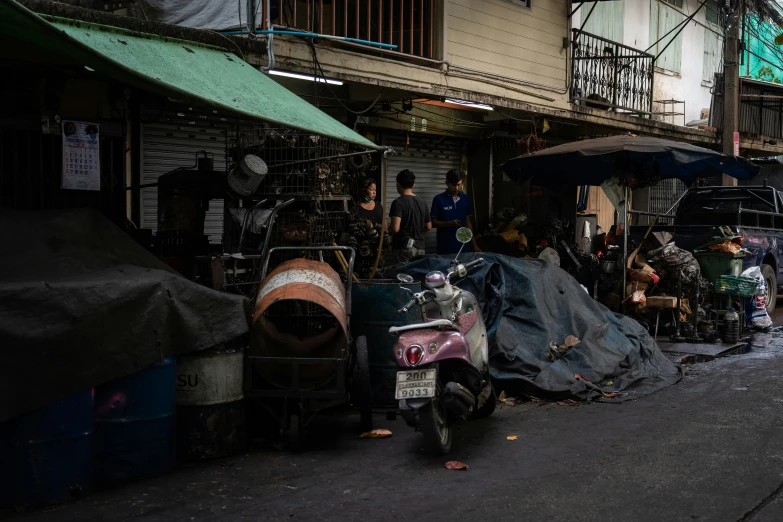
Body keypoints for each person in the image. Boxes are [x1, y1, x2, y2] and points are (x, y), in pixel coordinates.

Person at [431, 169, 481, 255]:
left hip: (463, 247)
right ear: (447, 183)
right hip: (445, 247)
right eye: (453, 185)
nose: (456, 188)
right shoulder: (438, 199)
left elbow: (468, 222)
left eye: (459, 185)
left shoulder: (466, 199)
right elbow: (432, 223)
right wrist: (449, 223)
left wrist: (474, 245)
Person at [389, 169, 431, 264]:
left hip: (403, 248)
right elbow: (429, 227)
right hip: (420, 248)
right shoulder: (422, 202)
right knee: (417, 277)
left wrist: (387, 230)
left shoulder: (398, 203)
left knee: (402, 277)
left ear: (398, 185)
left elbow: (395, 228)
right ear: (413, 185)